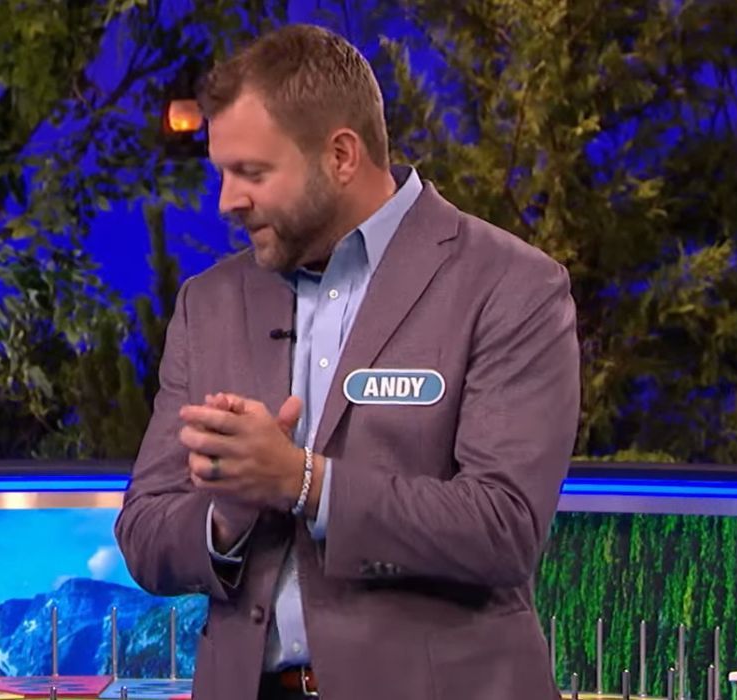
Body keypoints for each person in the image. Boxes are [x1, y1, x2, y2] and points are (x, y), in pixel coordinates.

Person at [114, 24, 578, 700]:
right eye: (221, 172)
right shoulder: (208, 304)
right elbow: (144, 532)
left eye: (252, 172)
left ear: (340, 155)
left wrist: (303, 482)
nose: (226, 202)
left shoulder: (511, 287)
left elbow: (502, 529)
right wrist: (227, 516)